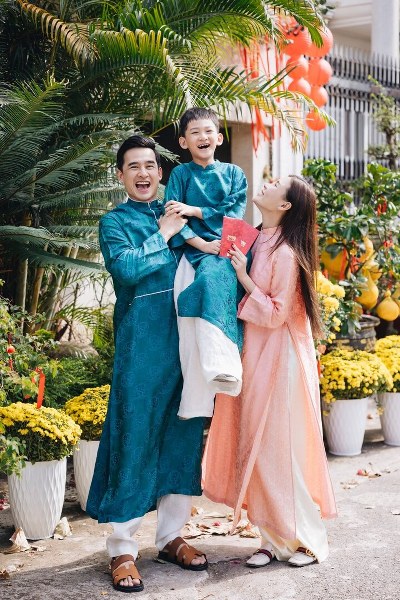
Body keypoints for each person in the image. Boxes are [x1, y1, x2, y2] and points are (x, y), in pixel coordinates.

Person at [86, 136, 208, 594]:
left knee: (182, 435)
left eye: (150, 166)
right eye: (133, 166)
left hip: (188, 343)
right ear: (120, 175)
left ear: (161, 172)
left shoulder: (180, 211)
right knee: (134, 437)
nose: (143, 173)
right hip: (142, 347)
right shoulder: (114, 222)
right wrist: (163, 234)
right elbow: (125, 270)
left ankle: (171, 536)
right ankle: (122, 548)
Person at [202, 175, 337, 568]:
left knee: (281, 450)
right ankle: (271, 539)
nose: (267, 183)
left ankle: (308, 541)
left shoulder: (288, 253)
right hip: (257, 353)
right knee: (257, 447)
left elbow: (277, 314)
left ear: (285, 205)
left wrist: (244, 278)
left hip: (282, 358)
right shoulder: (258, 238)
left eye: (277, 183)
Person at [164, 107, 248, 419]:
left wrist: (194, 210)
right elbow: (173, 216)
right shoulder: (180, 175)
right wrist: (201, 243)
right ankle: (196, 400)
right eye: (195, 132)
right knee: (188, 325)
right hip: (194, 250)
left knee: (214, 289)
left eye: (209, 131)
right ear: (183, 142)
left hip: (228, 249)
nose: (203, 136)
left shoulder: (234, 174)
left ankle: (225, 368)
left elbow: (233, 213)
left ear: (219, 138)